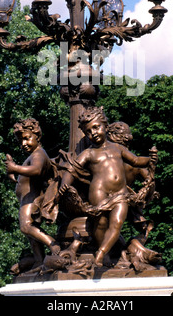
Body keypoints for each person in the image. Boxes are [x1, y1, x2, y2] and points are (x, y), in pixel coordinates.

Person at [59, 107, 151, 267]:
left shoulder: (118, 148)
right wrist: (64, 183)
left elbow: (135, 161)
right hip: (99, 193)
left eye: (96, 127)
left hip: (121, 194)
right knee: (100, 224)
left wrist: (150, 159)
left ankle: (101, 252)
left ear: (105, 126)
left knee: (117, 222)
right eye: (88, 132)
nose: (93, 133)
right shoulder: (88, 153)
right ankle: (105, 255)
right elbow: (72, 169)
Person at [5, 118, 60, 271]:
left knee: (26, 227)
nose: (23, 143)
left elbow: (36, 170)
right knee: (31, 233)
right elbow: (25, 176)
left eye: (27, 138)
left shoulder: (39, 154)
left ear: (37, 135)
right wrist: (14, 174)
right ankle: (38, 259)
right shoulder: (31, 156)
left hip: (33, 199)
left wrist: (15, 168)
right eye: (20, 141)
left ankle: (53, 244)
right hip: (25, 199)